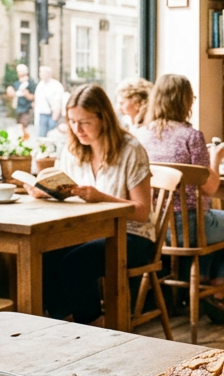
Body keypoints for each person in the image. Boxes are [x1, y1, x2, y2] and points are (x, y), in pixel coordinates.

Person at [28, 82, 155, 324]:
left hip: (133, 235)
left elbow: (142, 212)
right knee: (45, 255)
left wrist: (101, 197)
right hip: (87, 232)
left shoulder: (131, 150)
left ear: (104, 118)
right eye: (72, 121)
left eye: (85, 122)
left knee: (77, 263)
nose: (77, 129)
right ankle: (62, 323)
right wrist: (47, 191)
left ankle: (93, 325)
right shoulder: (72, 150)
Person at [135, 74, 224, 322]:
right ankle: (217, 291)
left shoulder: (140, 135)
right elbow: (209, 187)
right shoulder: (191, 136)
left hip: (153, 228)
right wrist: (216, 159)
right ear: (186, 102)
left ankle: (205, 287)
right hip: (187, 227)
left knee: (211, 223)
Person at [34, 65, 65, 138]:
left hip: (52, 114)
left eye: (44, 72)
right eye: (41, 72)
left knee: (52, 135)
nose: (41, 74)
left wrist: (55, 116)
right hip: (42, 113)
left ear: (49, 74)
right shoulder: (40, 85)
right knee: (42, 135)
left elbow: (58, 101)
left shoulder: (56, 85)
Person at [5, 63, 35, 137]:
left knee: (24, 126)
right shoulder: (16, 83)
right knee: (19, 127)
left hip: (27, 108)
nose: (19, 73)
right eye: (18, 71)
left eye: (21, 71)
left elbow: (34, 96)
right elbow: (12, 94)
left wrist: (27, 94)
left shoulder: (31, 83)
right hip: (18, 107)